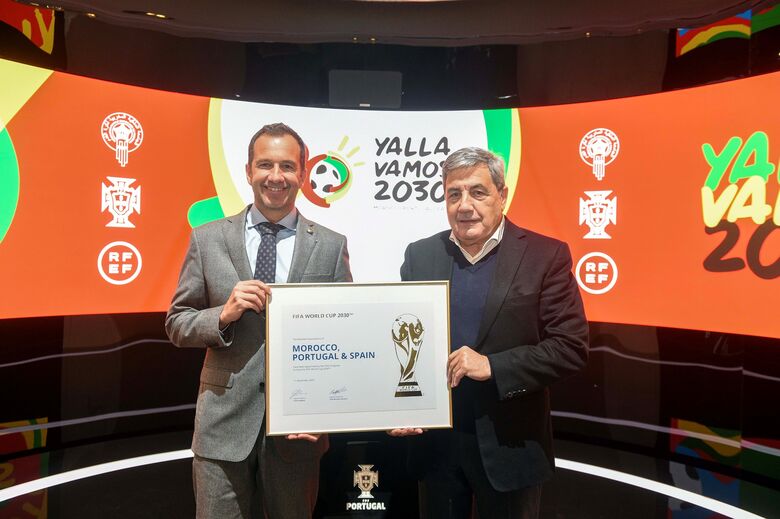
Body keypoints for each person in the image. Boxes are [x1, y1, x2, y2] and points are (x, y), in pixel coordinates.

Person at [166, 123, 352, 519]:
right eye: (265, 164)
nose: (276, 176)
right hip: (222, 426)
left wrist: (325, 411)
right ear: (248, 171)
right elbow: (178, 323)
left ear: (303, 173)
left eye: (287, 166)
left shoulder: (332, 246)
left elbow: (345, 337)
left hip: (299, 430)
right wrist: (224, 314)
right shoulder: (208, 239)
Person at [392, 147, 588, 519]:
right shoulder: (420, 255)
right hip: (436, 449)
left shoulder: (545, 256)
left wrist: (493, 366)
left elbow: (570, 347)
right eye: (454, 194)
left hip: (511, 447)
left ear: (502, 195)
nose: (464, 205)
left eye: (477, 192)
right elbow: (400, 340)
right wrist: (397, 405)